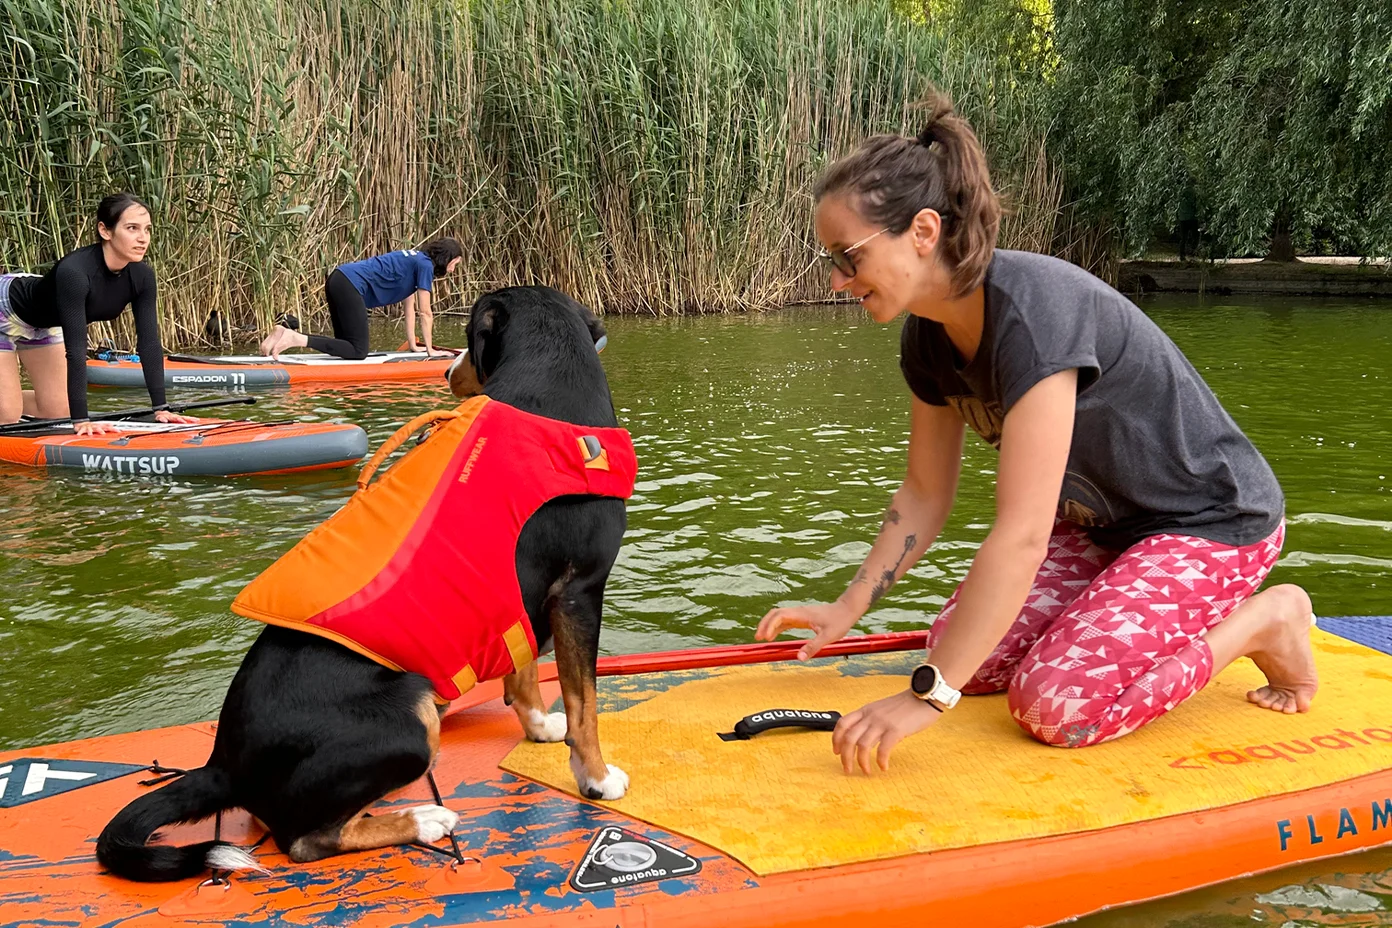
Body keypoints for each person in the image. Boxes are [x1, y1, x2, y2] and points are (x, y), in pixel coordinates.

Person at [754, 90, 1317, 776]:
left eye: (849, 255)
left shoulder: (1034, 319)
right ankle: (1115, 599)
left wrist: (927, 700)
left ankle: (1266, 621)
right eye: (830, 261)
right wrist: (849, 605)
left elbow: (1021, 535)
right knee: (960, 648)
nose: (839, 279)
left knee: (1056, 706)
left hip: (1211, 524)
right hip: (1106, 532)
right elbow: (925, 492)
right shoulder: (926, 343)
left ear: (924, 232)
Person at [0, 193, 194, 435]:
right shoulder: (75, 273)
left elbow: (149, 343)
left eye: (147, 230)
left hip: (44, 324)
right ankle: (7, 404)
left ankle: (8, 399)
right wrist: (81, 420)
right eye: (132, 228)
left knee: (57, 411)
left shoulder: (142, 277)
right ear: (105, 230)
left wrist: (161, 408)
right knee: (7, 416)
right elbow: (77, 351)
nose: (143, 238)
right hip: (5, 309)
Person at [259, 238, 463, 360]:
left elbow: (409, 309)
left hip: (338, 278)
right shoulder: (425, 266)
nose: (453, 269)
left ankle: (282, 332)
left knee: (345, 346)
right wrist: (431, 351)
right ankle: (294, 338)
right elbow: (426, 313)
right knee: (358, 351)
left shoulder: (416, 260)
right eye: (455, 263)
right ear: (447, 259)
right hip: (349, 285)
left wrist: (414, 345)